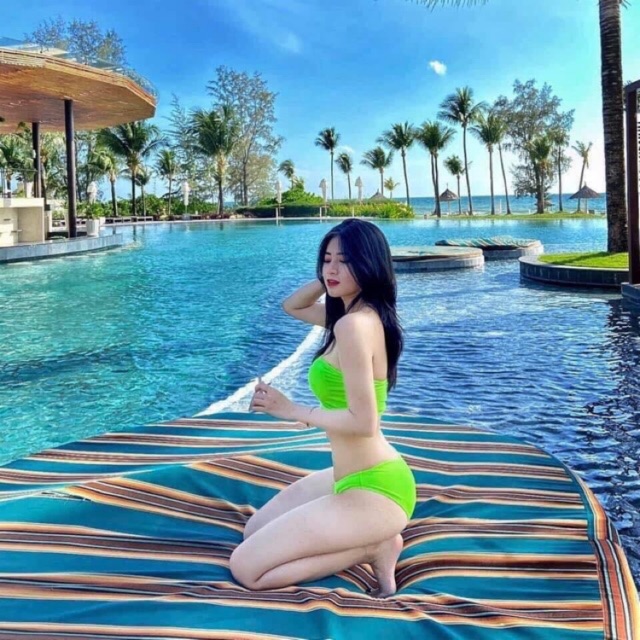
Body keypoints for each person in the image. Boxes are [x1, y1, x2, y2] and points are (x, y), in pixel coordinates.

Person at [229, 219, 416, 597]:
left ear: (369, 264)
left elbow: (365, 423)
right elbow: (292, 305)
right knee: (254, 531)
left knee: (246, 568)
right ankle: (371, 541)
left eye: (345, 261)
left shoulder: (353, 326)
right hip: (346, 476)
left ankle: (373, 548)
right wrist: (330, 278)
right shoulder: (348, 316)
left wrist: (293, 410)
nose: (332, 268)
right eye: (327, 259)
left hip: (378, 488)